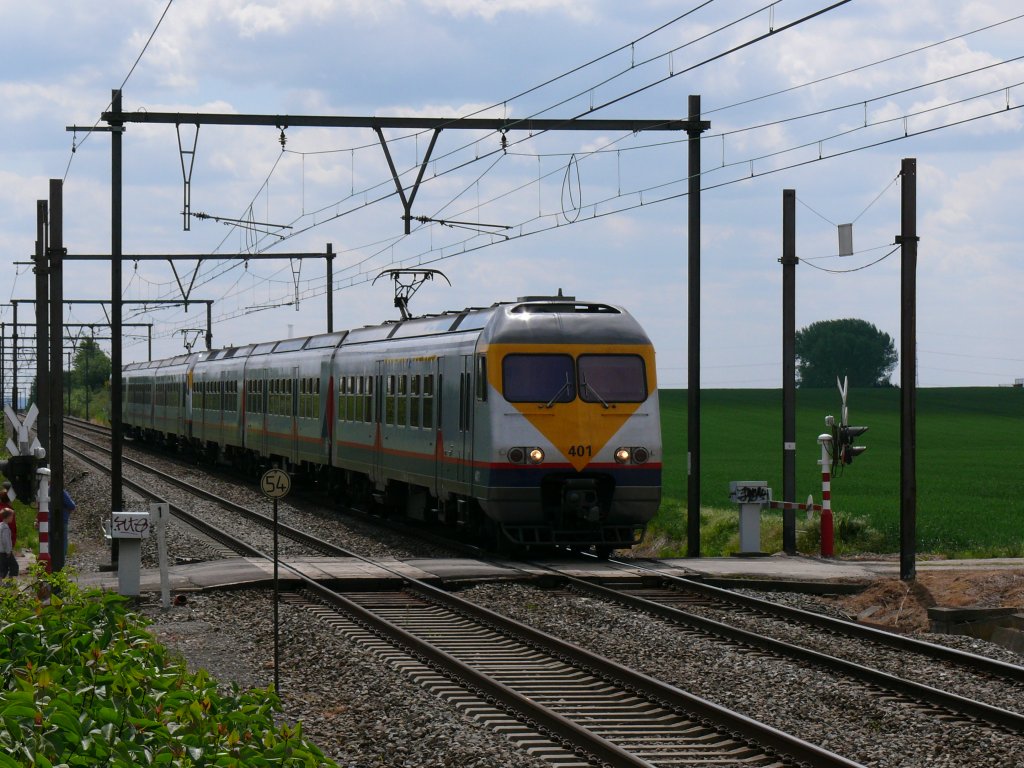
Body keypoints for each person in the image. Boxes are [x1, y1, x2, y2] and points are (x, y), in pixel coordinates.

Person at [61, 489, 76, 561]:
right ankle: (62, 561)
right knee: (63, 540)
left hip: (50, 519)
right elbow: (72, 505)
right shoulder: (61, 492)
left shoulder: (47, 490)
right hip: (62, 519)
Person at [0, 508, 14, 579]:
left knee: (4, 567)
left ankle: (9, 582)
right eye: (12, 516)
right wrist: (8, 551)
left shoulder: (1, 525)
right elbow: (5, 541)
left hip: (2, 551)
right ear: (8, 517)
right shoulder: (5, 528)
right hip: (5, 551)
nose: (12, 518)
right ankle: (9, 583)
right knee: (12, 566)